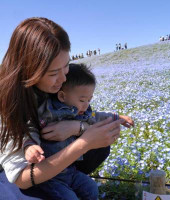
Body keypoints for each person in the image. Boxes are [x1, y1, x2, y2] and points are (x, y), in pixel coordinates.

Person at [0, 17, 124, 199]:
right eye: (53, 73)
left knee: (100, 147)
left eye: (65, 66)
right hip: (12, 177)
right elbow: (21, 178)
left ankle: (64, 180)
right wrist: (84, 143)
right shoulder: (7, 102)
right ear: (29, 70)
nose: (63, 79)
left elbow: (86, 115)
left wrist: (77, 128)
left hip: (53, 164)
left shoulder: (56, 86)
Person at [23, 63, 133, 199]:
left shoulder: (81, 109)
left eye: (89, 99)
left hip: (70, 170)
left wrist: (117, 117)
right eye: (82, 100)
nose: (86, 105)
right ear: (62, 96)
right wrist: (29, 145)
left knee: (92, 189)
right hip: (48, 175)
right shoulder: (48, 111)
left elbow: (96, 116)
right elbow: (31, 127)